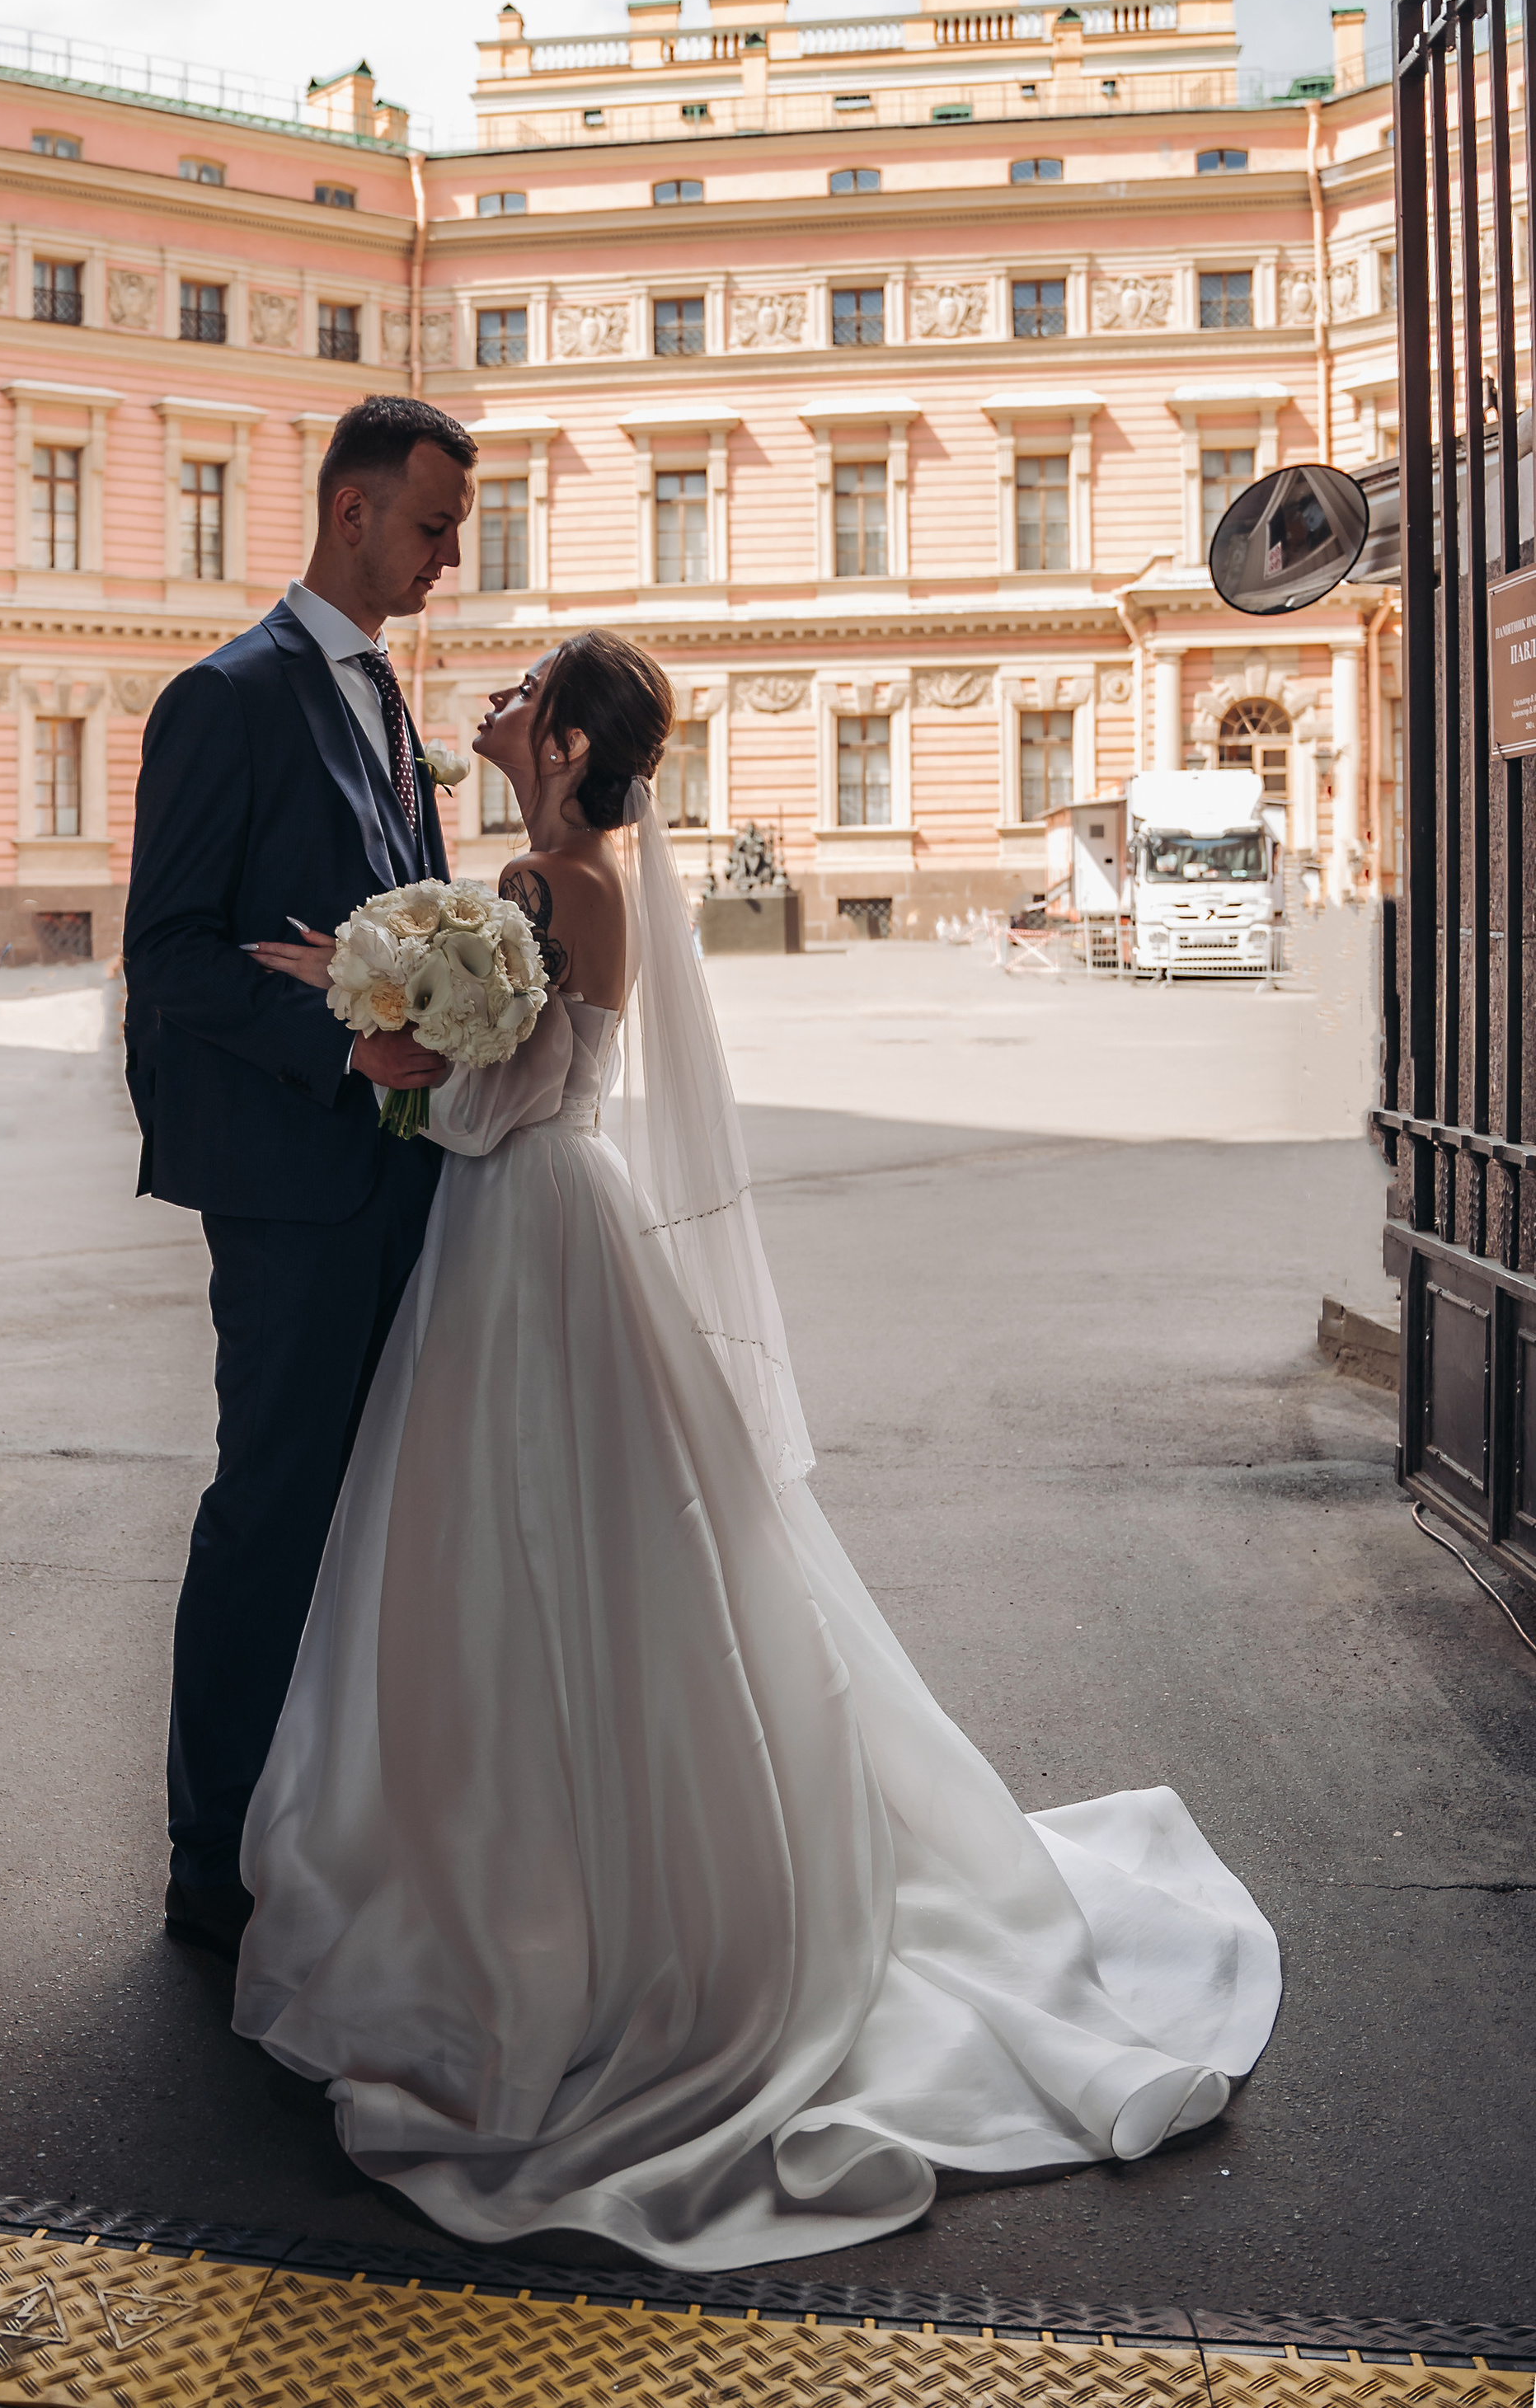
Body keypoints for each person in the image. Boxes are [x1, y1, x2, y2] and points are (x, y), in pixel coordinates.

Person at [234, 631, 1281, 2268]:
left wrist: (381, 1044)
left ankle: (589, 1914)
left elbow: (485, 1112)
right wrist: (391, 1006)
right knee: (541, 1550)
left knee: (551, 1549)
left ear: (570, 742)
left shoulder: (560, 885)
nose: (498, 706)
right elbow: (497, 1077)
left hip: (526, 1230)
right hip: (532, 1242)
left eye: (524, 695)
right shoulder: (537, 872)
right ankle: (527, 1873)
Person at [122, 394, 477, 1961]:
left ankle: (322, 1829)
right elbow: (174, 959)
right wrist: (345, 1044)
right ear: (349, 513)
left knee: (375, 1520)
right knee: (269, 1509)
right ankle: (212, 1867)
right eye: (430, 528)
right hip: (291, 1189)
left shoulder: (389, 702)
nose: (446, 560)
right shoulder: (230, 699)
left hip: (406, 1184)